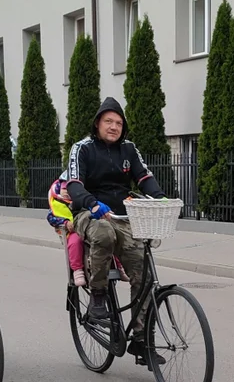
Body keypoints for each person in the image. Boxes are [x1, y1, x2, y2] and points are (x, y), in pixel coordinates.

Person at [66, 97, 165, 364]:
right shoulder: (82, 149)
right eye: (108, 121)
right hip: (89, 212)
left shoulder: (129, 150)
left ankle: (142, 340)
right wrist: (90, 202)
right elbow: (74, 184)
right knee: (103, 235)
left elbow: (144, 177)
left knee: (143, 269)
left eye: (119, 122)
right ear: (97, 123)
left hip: (121, 215)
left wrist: (159, 198)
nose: (113, 126)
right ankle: (98, 297)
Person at [46, 176, 126, 287]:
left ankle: (120, 266)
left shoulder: (82, 200)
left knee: (110, 237)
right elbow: (51, 218)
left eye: (70, 191)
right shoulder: (57, 204)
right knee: (75, 242)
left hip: (89, 227)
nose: (67, 193)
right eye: (64, 189)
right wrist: (64, 223)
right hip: (73, 232)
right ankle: (77, 270)